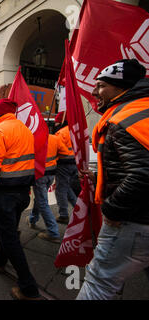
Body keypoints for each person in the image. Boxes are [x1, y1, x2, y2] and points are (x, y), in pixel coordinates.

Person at [76, 59, 149, 300]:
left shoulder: (124, 118)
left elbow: (142, 174)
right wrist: (99, 176)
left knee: (99, 283)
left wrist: (111, 209)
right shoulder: (141, 110)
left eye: (101, 86)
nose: (95, 92)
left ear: (122, 87)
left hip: (132, 221)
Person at [0, 98, 42, 300]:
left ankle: (28, 287)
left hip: (3, 194)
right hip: (23, 192)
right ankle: (0, 260)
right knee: (9, 232)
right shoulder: (25, 130)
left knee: (10, 237)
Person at [28, 133, 71, 242]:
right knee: (40, 198)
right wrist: (55, 158)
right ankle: (33, 219)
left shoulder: (32, 138)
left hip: (39, 174)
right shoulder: (54, 138)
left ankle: (53, 232)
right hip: (51, 174)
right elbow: (65, 153)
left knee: (42, 202)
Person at [53, 112, 79, 224]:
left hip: (63, 164)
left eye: (56, 121)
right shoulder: (75, 130)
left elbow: (58, 150)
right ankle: (79, 209)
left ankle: (63, 215)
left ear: (62, 121)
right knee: (68, 189)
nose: (55, 124)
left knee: (60, 190)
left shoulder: (60, 133)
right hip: (75, 163)